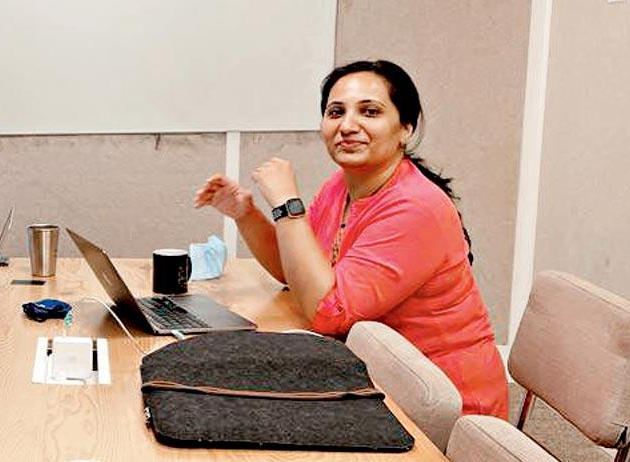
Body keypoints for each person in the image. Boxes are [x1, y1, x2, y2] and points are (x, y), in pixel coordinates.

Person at [194, 59, 508, 418]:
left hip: (440, 402)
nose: (347, 126)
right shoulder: (341, 186)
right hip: (374, 374)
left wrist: (287, 205)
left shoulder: (417, 208)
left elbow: (327, 314)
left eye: (369, 112)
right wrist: (245, 214)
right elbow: (296, 272)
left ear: (405, 127)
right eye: (335, 112)